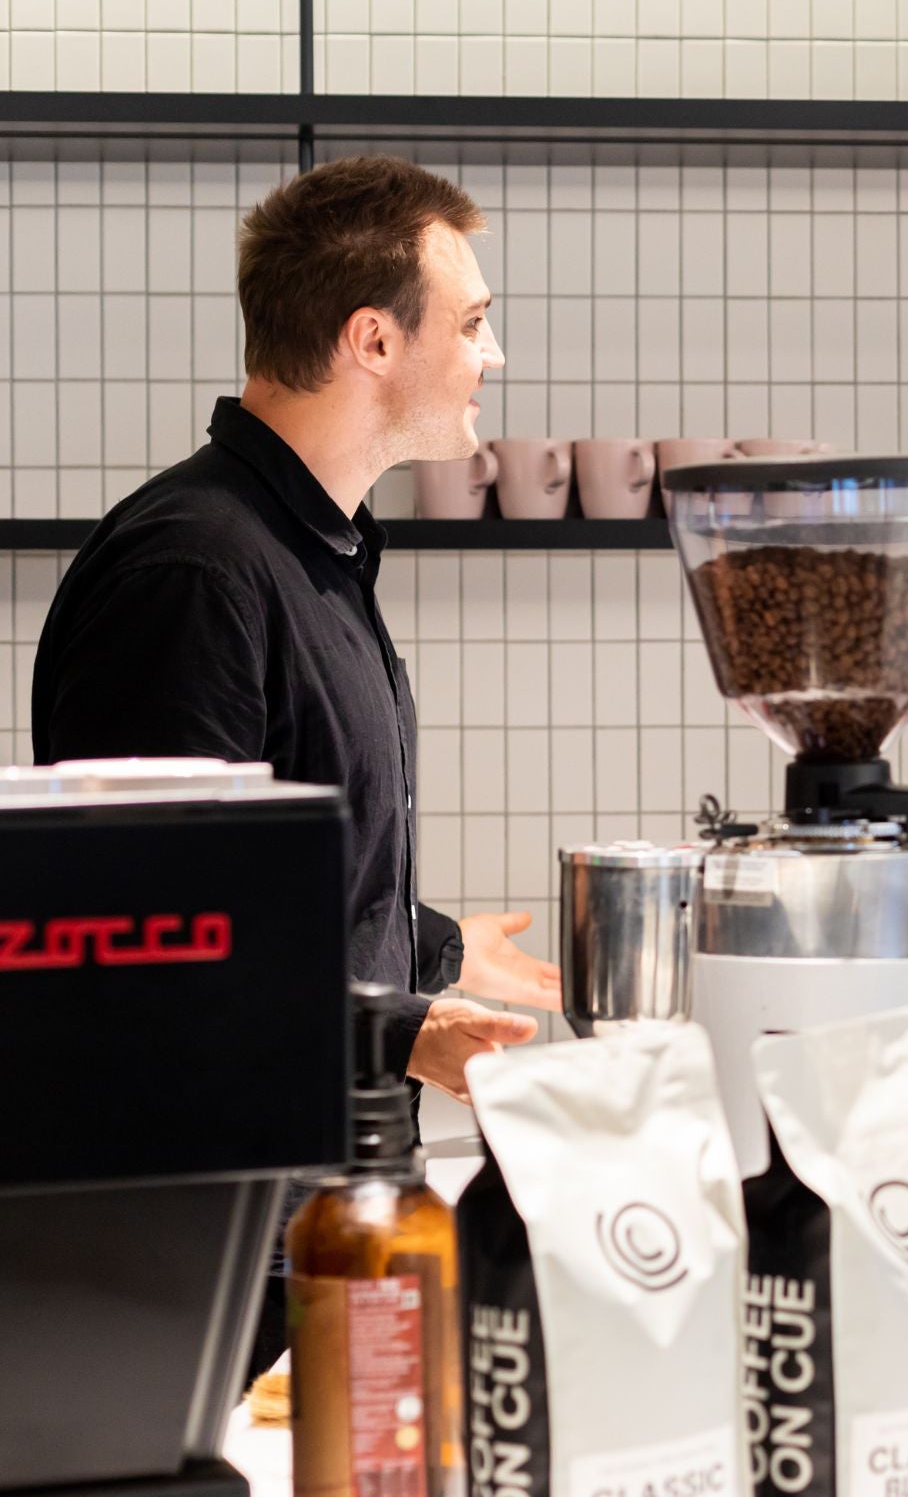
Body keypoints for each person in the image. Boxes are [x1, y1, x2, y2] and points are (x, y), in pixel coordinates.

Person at [30, 155, 558, 1372]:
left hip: (322, 1204)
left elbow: (274, 894)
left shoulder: (310, 550)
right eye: (472, 324)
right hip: (233, 1239)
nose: (494, 355)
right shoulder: (196, 573)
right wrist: (402, 1016)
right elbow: (166, 947)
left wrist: (422, 962)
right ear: (373, 339)